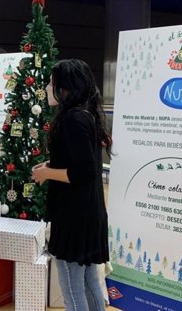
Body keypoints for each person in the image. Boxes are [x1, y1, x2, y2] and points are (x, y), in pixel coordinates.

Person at [31, 59, 111, 311]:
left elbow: (83, 172)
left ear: (67, 88)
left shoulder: (73, 119)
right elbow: (79, 160)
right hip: (87, 213)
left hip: (74, 217)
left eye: (52, 83)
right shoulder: (84, 116)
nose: (46, 87)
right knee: (89, 283)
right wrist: (50, 165)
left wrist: (47, 174)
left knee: (73, 289)